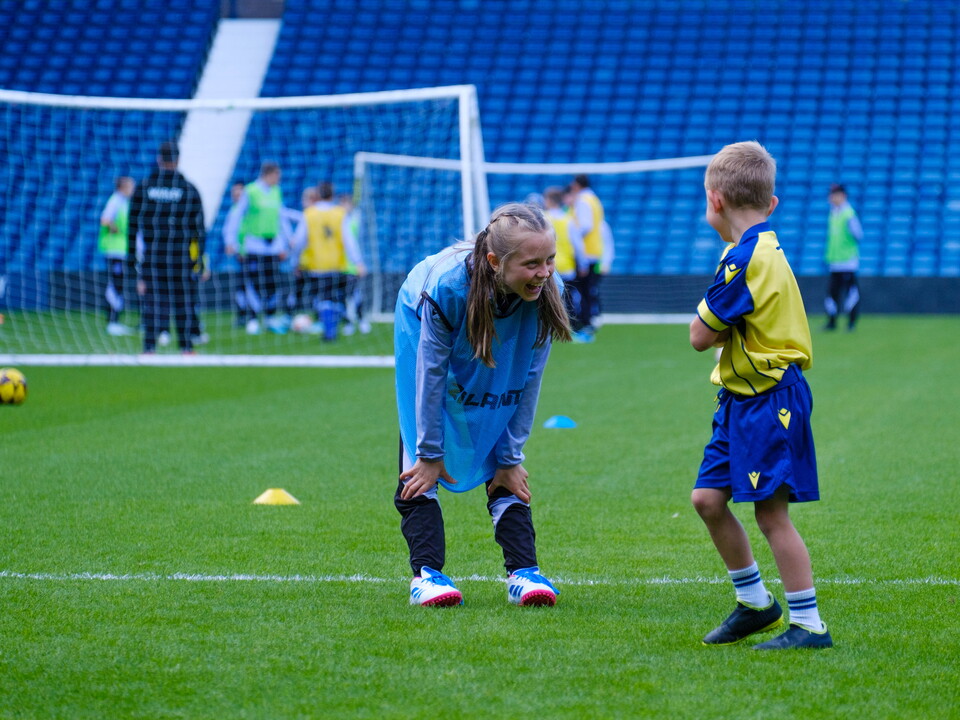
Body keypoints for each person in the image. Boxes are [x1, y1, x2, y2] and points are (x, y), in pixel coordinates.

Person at [688, 141, 832, 650]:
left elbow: (698, 336)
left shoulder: (744, 259)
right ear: (771, 204)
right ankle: (754, 603)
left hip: (770, 399)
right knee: (708, 500)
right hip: (740, 398)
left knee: (772, 514)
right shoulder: (758, 248)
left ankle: (809, 624)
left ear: (715, 199)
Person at [394, 202, 572, 607]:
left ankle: (523, 573)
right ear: (494, 261)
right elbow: (431, 376)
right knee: (420, 461)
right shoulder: (446, 289)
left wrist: (510, 456)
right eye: (532, 264)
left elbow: (526, 381)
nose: (544, 272)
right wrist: (427, 454)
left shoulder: (547, 291)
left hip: (494, 312)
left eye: (550, 260)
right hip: (415, 313)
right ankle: (426, 575)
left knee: (499, 431)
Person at [127, 141, 205, 354]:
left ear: (159, 159)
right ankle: (186, 348)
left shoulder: (144, 186)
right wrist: (200, 260)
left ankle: (149, 348)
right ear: (178, 160)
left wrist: (131, 259)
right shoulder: (188, 189)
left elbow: (132, 227)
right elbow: (199, 229)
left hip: (153, 254)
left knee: (152, 301)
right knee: (183, 302)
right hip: (180, 255)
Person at [223, 161, 295, 335]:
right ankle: (253, 318)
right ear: (268, 174)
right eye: (277, 175)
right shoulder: (251, 191)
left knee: (272, 282)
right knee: (253, 282)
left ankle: (270, 317)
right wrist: (230, 241)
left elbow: (281, 216)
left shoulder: (276, 191)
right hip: (254, 245)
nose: (279, 179)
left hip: (272, 246)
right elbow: (237, 215)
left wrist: (288, 239)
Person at [289, 182, 366, 341]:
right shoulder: (340, 213)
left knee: (322, 298)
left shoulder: (309, 214)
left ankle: (330, 329)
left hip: (315, 265)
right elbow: (349, 240)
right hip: (336, 264)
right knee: (332, 297)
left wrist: (295, 261)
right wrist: (358, 261)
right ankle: (332, 328)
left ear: (318, 194)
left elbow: (299, 241)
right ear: (332, 195)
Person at [567, 174, 607, 339]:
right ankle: (589, 322)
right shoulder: (594, 200)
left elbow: (586, 226)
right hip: (594, 250)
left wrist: (572, 232)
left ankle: (585, 324)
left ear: (577, 185)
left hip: (585, 251)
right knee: (587, 289)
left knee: (581, 289)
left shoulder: (583, 201)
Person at [99, 176, 137, 336]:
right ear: (123, 187)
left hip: (121, 250)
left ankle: (115, 321)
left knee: (119, 284)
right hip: (114, 249)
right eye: (131, 186)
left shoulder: (123, 202)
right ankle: (112, 321)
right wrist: (115, 229)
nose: (133, 189)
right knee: (115, 284)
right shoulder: (115, 200)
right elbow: (105, 220)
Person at [543, 186, 586, 325]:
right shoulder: (569, 220)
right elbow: (578, 245)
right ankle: (570, 326)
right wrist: (583, 264)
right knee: (568, 299)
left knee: (546, 298)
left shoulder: (542, 218)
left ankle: (547, 327)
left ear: (548, 200)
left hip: (547, 266)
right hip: (566, 266)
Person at [823, 183, 862, 331]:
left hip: (848, 262)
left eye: (834, 194)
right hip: (835, 261)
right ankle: (832, 322)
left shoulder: (848, 214)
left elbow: (858, 234)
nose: (831, 197)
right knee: (832, 294)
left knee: (851, 294)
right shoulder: (833, 213)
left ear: (842, 196)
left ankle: (851, 323)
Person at [336, 193, 371, 336]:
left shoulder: (355, 219)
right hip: (339, 264)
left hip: (352, 265)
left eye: (346, 204)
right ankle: (349, 322)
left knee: (354, 294)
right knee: (344, 295)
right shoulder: (338, 220)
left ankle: (361, 320)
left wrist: (359, 262)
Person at [222, 180, 248, 328]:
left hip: (248, 252)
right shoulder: (233, 210)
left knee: (249, 285)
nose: (236, 195)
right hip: (240, 253)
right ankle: (243, 314)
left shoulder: (248, 211)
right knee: (241, 285)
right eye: (234, 193)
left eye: (239, 193)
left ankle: (252, 315)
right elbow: (228, 231)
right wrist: (229, 245)